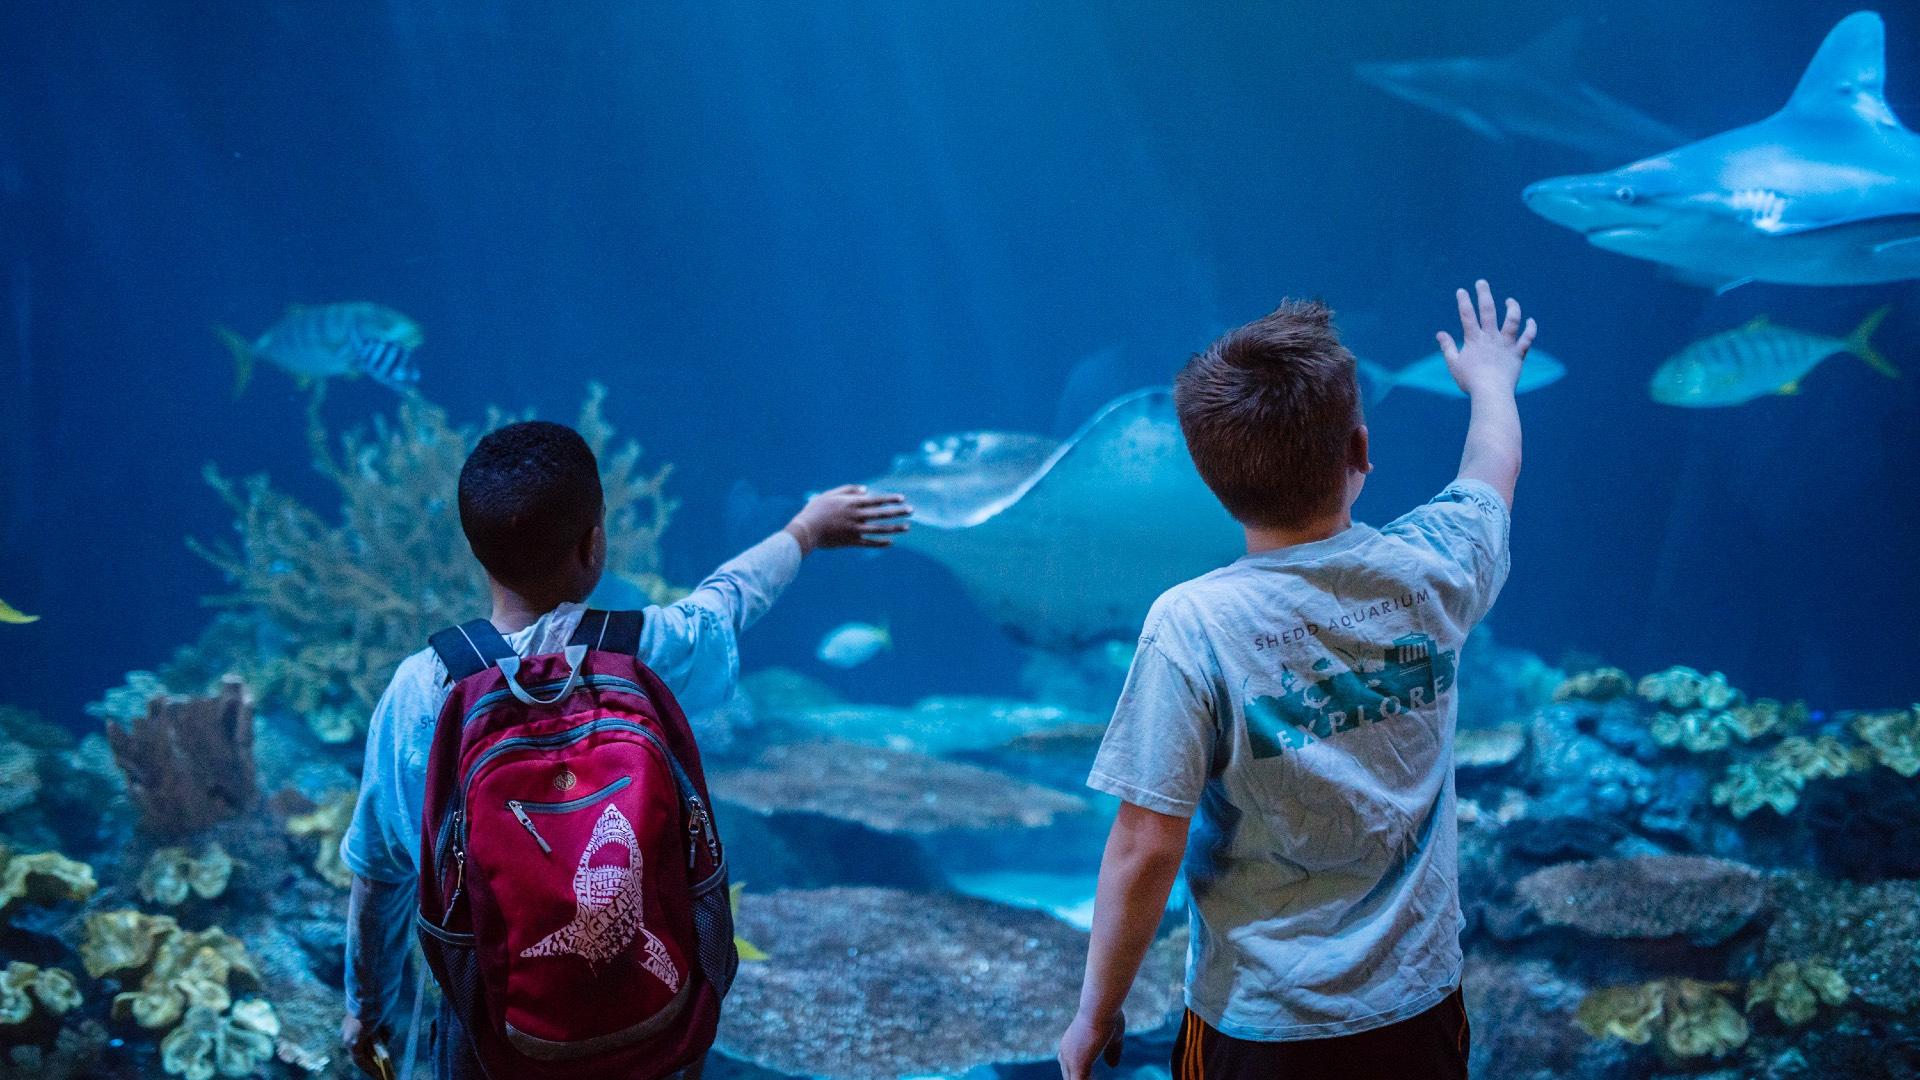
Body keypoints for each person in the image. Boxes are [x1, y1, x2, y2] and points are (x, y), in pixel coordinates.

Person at [1058, 281, 1535, 1080]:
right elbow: (1493, 469)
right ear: (1360, 452)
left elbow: (1145, 846)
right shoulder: (1437, 568)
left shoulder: (1191, 625)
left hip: (1259, 1024)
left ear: (1211, 480)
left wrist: (1095, 1012)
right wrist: (1491, 381)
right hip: (1414, 1010)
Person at [339, 419, 911, 1079]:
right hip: (651, 1034)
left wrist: (367, 1009)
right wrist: (806, 532)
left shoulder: (422, 688)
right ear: (594, 544)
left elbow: (380, 873)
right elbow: (728, 601)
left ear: (476, 548)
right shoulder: (645, 650)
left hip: (495, 1038)